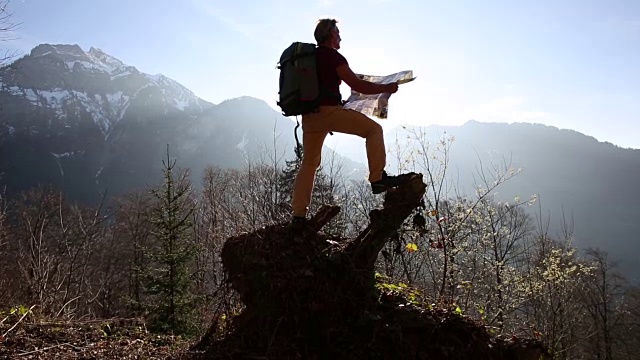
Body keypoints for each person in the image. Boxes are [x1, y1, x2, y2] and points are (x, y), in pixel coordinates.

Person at [290, 18, 409, 224]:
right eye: (337, 32)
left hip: (309, 117)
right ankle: (378, 178)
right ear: (330, 35)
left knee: (309, 164)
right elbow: (357, 85)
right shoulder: (334, 57)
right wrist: (387, 88)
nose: (340, 36)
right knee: (374, 130)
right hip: (330, 114)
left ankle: (298, 216)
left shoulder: (309, 58)